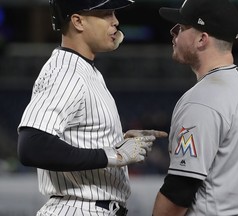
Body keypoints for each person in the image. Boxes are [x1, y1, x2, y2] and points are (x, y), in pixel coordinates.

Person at [17, 0, 167, 215]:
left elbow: (77, 137)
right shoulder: (65, 72)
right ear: (78, 21)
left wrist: (117, 141)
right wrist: (115, 155)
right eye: (106, 13)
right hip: (79, 208)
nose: (116, 21)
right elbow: (32, 145)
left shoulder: (85, 69)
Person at [152, 0, 238, 215]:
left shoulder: (203, 99)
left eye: (181, 27)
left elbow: (180, 189)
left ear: (201, 39)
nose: (173, 33)